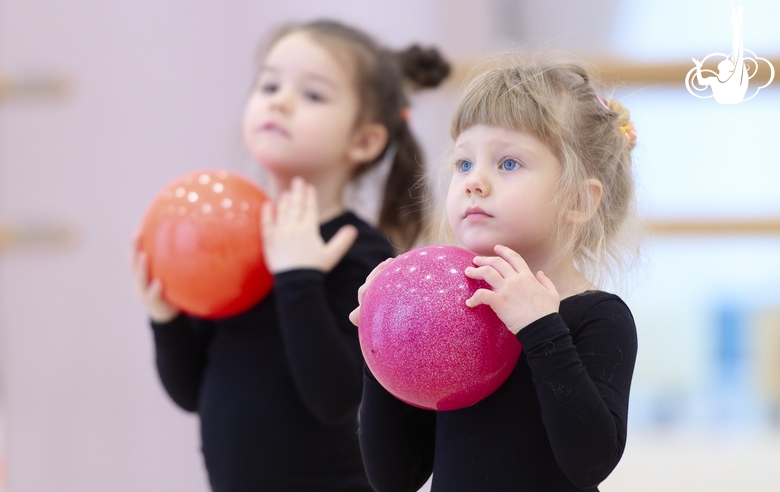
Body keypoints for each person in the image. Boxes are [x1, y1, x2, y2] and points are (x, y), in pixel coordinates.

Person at [130, 20, 449, 491]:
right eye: (270, 84)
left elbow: (335, 397)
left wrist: (298, 276)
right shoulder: (230, 239)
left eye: (313, 95)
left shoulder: (358, 251)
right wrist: (166, 319)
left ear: (363, 141)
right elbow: (193, 393)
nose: (278, 100)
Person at [352, 54, 639, 491]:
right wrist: (381, 344)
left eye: (507, 163)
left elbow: (589, 461)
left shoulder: (599, 317)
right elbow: (395, 476)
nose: (473, 181)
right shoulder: (449, 311)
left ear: (578, 201)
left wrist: (541, 329)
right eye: (464, 164)